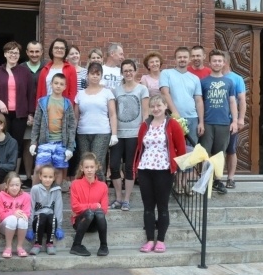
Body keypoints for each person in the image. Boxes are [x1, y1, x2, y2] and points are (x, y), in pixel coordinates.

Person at [134, 95, 187, 253]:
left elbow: (181, 148)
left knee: (162, 206)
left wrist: (177, 168)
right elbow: (139, 146)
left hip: (164, 169)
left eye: (159, 106)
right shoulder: (145, 125)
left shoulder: (173, 124)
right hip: (145, 169)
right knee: (148, 207)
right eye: (153, 106)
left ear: (165, 106)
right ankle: (150, 239)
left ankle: (161, 240)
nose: (156, 109)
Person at [0, 41, 35, 171]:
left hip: (20, 115)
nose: (13, 55)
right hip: (2, 115)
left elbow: (31, 94)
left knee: (17, 144)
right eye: (10, 52)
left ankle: (14, 174)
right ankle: (0, 171)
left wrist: (31, 113)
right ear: (5, 54)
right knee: (1, 142)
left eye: (16, 53)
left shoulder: (25, 72)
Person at [111, 59, 149, 211]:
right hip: (118, 134)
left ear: (135, 71)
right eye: (125, 70)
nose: (128, 73)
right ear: (122, 72)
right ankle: (118, 198)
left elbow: (146, 113)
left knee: (129, 167)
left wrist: (144, 133)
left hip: (134, 134)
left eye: (130, 70)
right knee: (114, 165)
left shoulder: (142, 89)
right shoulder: (116, 90)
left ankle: (126, 199)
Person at [200, 50, 238, 194]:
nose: (217, 63)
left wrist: (234, 121)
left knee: (219, 154)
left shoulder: (229, 82)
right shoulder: (203, 82)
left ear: (224, 63)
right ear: (209, 63)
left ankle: (217, 180)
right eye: (214, 61)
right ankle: (204, 180)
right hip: (208, 122)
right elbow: (200, 103)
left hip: (224, 123)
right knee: (205, 153)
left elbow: (233, 102)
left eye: (219, 61)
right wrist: (201, 122)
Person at [30, 73, 76, 188]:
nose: (58, 86)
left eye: (61, 84)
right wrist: (33, 142)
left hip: (61, 142)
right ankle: (34, 196)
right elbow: (36, 123)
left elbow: (71, 126)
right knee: (39, 168)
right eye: (56, 83)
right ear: (51, 84)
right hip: (45, 141)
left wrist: (70, 147)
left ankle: (55, 196)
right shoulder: (42, 102)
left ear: (65, 86)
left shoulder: (67, 103)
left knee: (58, 169)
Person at [74, 62, 117, 181]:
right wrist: (72, 134)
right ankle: (86, 193)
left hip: (102, 132)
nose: (95, 76)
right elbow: (76, 117)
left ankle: (101, 193)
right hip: (82, 133)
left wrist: (114, 134)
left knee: (96, 165)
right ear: (87, 75)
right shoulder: (80, 94)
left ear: (101, 76)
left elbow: (112, 114)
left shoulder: (107, 93)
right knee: (85, 164)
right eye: (92, 73)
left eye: (98, 74)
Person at [160, 46, 204, 146]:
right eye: (179, 57)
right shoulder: (166, 73)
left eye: (185, 57)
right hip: (173, 118)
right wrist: (175, 113)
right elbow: (165, 93)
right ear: (175, 59)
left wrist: (201, 122)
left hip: (192, 118)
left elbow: (198, 100)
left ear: (189, 59)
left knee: (191, 151)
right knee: (173, 147)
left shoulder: (195, 78)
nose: (182, 59)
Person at [69, 152, 109, 257]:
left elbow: (104, 209)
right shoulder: (75, 184)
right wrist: (94, 205)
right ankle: (76, 245)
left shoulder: (103, 186)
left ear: (97, 167)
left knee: (99, 213)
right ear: (82, 168)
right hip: (80, 221)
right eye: (87, 167)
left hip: (95, 223)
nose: (89, 170)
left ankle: (104, 245)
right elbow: (75, 207)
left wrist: (94, 208)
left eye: (92, 167)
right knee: (89, 213)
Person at [20, 41, 47, 179]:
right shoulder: (21, 68)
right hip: (26, 114)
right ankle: (29, 177)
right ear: (27, 52)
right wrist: (28, 114)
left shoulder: (47, 68)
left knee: (43, 145)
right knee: (28, 144)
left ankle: (42, 177)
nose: (34, 54)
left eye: (37, 51)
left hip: (45, 113)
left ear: (42, 52)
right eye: (31, 51)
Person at [223, 53, 246, 189]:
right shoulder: (212, 76)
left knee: (231, 150)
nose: (217, 63)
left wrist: (240, 119)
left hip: (231, 120)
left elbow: (242, 100)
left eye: (221, 60)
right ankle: (215, 178)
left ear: (227, 61)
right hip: (214, 120)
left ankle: (231, 178)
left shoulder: (236, 78)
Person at [29, 165, 63, 255]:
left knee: (51, 216)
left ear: (54, 178)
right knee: (42, 216)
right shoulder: (35, 189)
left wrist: (59, 227)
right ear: (40, 176)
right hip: (38, 222)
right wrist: (29, 227)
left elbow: (58, 209)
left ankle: (50, 243)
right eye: (45, 176)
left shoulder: (57, 190)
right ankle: (37, 244)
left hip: (51, 223)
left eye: (50, 177)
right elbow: (31, 207)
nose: (47, 179)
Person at [0, 172, 32, 258]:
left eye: (17, 185)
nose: (15, 188)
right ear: (6, 185)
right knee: (12, 218)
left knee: (23, 219)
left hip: (20, 227)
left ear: (20, 185)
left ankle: (20, 247)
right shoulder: (0, 195)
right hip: (5, 226)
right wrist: (13, 213)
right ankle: (8, 247)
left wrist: (18, 214)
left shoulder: (26, 196)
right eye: (11, 185)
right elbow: (0, 214)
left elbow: (27, 213)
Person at [36, 38, 78, 106]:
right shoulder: (45, 69)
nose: (59, 50)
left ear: (65, 51)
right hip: (46, 107)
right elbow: (39, 93)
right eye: (56, 48)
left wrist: (68, 109)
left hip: (63, 108)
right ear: (52, 50)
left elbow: (73, 92)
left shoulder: (71, 69)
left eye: (62, 48)